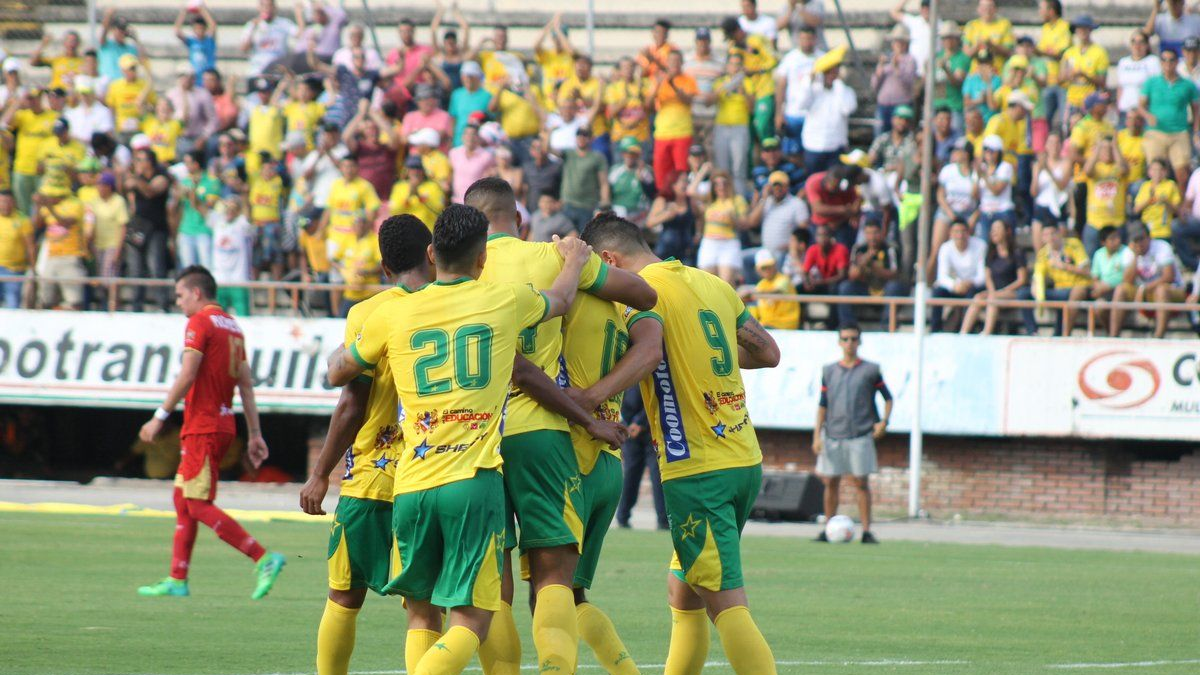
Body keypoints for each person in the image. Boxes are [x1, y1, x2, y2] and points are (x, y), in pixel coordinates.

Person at [569, 212, 780, 675]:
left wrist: (590, 397)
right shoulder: (711, 283)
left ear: (609, 260)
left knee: (725, 603)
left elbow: (648, 355)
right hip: (744, 459)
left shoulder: (640, 295)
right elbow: (768, 352)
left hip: (698, 470)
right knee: (682, 591)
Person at [462, 179, 656, 675]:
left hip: (473, 437)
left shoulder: (462, 271)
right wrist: (576, 258)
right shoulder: (552, 259)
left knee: (492, 586)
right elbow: (644, 294)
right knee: (556, 581)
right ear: (519, 218)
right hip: (549, 433)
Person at [296, 216, 432, 675]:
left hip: (372, 475)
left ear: (384, 267)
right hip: (431, 474)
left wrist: (320, 473)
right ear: (431, 254)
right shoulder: (453, 305)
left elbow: (352, 402)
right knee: (424, 607)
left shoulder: (369, 312)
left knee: (344, 595)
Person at [135, 266, 285, 598]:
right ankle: (177, 578)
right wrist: (255, 433)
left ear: (196, 292)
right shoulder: (233, 327)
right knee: (183, 498)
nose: (178, 302)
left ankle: (263, 557)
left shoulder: (200, 322)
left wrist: (159, 416)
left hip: (203, 426)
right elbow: (245, 385)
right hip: (222, 424)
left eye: (180, 295)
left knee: (198, 503)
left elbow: (188, 374)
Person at [813, 323, 891, 544]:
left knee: (861, 482)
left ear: (860, 341)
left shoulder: (871, 370)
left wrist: (884, 422)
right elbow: (822, 404)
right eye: (845, 339)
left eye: (853, 339)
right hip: (833, 433)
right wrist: (816, 435)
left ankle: (866, 531)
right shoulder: (829, 370)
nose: (849, 343)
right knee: (830, 482)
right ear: (839, 342)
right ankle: (828, 528)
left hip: (860, 434)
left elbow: (888, 398)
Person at [1138, 48, 1200, 188]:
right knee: (1156, 171)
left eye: (1171, 60)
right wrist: (1148, 115)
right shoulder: (1151, 82)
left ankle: (1181, 200)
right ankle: (1155, 199)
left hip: (1179, 131)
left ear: (1177, 62)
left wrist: (1196, 131)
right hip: (1156, 131)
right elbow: (1141, 106)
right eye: (1164, 60)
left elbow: (1196, 109)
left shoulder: (1187, 85)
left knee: (1182, 173)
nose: (1168, 63)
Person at [1111, 224, 1185, 338]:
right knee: (1120, 289)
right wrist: (1135, 256)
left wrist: (1144, 289)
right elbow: (1127, 280)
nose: (1139, 243)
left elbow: (1169, 277)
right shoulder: (1129, 251)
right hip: (1144, 292)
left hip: (1172, 289)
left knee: (1161, 290)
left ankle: (1158, 337)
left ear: (1149, 237)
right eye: (1135, 240)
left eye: (1141, 239)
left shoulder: (1162, 247)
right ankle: (1114, 336)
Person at [796, 46, 856, 179]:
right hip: (813, 146)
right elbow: (801, 104)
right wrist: (809, 80)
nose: (831, 76)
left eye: (834, 72)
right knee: (813, 181)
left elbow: (847, 108)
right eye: (828, 72)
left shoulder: (845, 91)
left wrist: (838, 82)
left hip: (836, 146)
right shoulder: (814, 90)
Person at [614, 384, 667, 530]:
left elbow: (656, 398)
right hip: (630, 433)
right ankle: (622, 518)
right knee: (631, 475)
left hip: (652, 432)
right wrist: (627, 425)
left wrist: (639, 423)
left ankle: (663, 521)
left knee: (658, 476)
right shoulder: (625, 377)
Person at [1022, 225, 1091, 336]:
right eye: (1046, 235)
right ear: (1042, 238)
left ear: (1059, 233)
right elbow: (1038, 275)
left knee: (1076, 292)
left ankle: (1064, 334)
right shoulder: (1043, 253)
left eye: (1053, 233)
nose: (1050, 237)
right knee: (1023, 294)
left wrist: (1064, 266)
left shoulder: (1073, 244)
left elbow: (1087, 271)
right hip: (1058, 291)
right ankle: (1032, 332)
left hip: (1075, 288)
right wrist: (1035, 286)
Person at [962, 220, 1028, 334]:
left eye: (997, 229)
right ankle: (963, 332)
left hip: (1012, 292)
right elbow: (988, 277)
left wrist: (1004, 290)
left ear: (1007, 231)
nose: (994, 232)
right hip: (994, 291)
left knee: (992, 299)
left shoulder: (1017, 252)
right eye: (992, 230)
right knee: (978, 297)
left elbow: (1022, 279)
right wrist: (992, 291)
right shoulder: (990, 253)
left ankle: (986, 332)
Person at [648, 50, 699, 195]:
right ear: (667, 63)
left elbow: (688, 100)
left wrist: (673, 84)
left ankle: (681, 199)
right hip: (662, 133)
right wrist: (658, 85)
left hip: (682, 133)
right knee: (661, 172)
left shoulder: (688, 80)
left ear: (682, 63)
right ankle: (663, 198)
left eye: (677, 61)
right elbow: (648, 106)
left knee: (681, 171)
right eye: (671, 61)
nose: (674, 64)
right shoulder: (658, 80)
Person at [837, 221, 905, 327]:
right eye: (868, 233)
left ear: (882, 233)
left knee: (895, 286)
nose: (872, 237)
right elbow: (852, 275)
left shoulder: (891, 248)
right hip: (865, 288)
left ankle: (887, 326)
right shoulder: (859, 249)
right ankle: (848, 326)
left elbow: (894, 274)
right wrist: (863, 262)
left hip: (884, 289)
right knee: (845, 287)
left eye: (875, 233)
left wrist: (873, 266)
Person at [708, 53, 755, 198]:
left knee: (739, 167)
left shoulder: (747, 83)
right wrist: (723, 89)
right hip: (722, 127)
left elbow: (751, 108)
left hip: (739, 127)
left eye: (738, 64)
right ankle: (723, 198)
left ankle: (739, 198)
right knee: (722, 166)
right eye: (732, 64)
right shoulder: (720, 82)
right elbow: (709, 102)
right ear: (727, 66)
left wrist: (743, 91)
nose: (735, 67)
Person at [774, 26, 824, 157]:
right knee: (793, 153)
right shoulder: (790, 58)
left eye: (809, 38)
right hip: (794, 113)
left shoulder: (822, 58)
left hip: (815, 114)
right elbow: (781, 86)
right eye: (803, 39)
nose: (806, 42)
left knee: (812, 151)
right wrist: (779, 113)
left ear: (815, 39)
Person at [931, 220, 986, 332]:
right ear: (950, 233)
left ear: (969, 232)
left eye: (963, 231)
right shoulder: (945, 248)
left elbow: (982, 276)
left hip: (972, 286)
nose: (960, 235)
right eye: (956, 231)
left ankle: (967, 330)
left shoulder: (980, 245)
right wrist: (954, 285)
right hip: (955, 286)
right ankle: (935, 330)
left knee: (973, 294)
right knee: (937, 292)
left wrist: (969, 282)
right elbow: (941, 276)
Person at [698, 170, 751, 286]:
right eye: (717, 184)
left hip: (728, 242)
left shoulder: (737, 200)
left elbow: (745, 224)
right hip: (709, 242)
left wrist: (733, 218)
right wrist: (704, 170)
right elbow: (691, 191)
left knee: (726, 283)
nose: (721, 187)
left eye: (724, 183)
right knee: (707, 282)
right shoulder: (710, 201)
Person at [1081, 135, 1130, 254]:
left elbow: (1124, 169)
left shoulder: (1118, 167)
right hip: (1094, 222)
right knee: (1091, 258)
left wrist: (1115, 147)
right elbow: (1087, 171)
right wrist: (1097, 148)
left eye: (1110, 148)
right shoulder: (1096, 168)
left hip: (1116, 222)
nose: (1107, 151)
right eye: (1104, 148)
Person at [207, 197, 253, 317]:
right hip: (220, 280)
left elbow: (247, 211)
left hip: (239, 280)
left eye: (233, 208)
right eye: (227, 207)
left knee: (244, 318)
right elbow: (199, 208)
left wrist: (244, 194)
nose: (230, 210)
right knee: (218, 318)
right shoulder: (217, 223)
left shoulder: (242, 224)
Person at [872, 25, 919, 135]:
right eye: (896, 41)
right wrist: (879, 69)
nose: (898, 44)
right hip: (883, 104)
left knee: (901, 134)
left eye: (901, 41)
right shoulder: (887, 59)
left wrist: (897, 68)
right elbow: (874, 85)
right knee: (880, 134)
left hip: (901, 105)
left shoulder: (910, 60)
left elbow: (909, 82)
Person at [560, 127, 610, 229]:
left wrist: (604, 202)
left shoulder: (597, 157)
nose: (582, 138)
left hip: (588, 205)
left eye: (585, 135)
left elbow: (604, 182)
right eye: (579, 134)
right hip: (568, 204)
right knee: (566, 236)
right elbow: (548, 149)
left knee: (585, 236)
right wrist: (548, 132)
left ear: (591, 138)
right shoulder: (569, 154)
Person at [1061, 15, 1108, 120]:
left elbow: (1102, 82)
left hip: (1091, 103)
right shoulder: (1069, 52)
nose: (1082, 31)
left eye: (1085, 28)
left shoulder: (1100, 52)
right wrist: (1069, 75)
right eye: (1079, 28)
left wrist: (1084, 75)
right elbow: (1060, 79)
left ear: (1090, 30)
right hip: (1072, 101)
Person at [806, 163, 862, 249]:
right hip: (820, 223)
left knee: (844, 248)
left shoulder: (845, 186)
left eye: (837, 187)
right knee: (815, 249)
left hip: (841, 223)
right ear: (827, 179)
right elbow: (818, 209)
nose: (835, 189)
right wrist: (844, 209)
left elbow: (856, 203)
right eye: (833, 185)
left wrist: (851, 215)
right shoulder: (814, 182)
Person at [647, 170, 698, 263]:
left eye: (687, 181)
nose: (686, 184)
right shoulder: (663, 200)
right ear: (673, 184)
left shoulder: (689, 200)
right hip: (666, 248)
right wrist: (666, 215)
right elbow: (650, 222)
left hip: (686, 249)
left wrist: (698, 233)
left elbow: (699, 216)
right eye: (683, 181)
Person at [1031, 132, 1072, 246]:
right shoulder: (1038, 165)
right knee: (1039, 246)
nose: (1054, 146)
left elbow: (1062, 186)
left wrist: (1048, 170)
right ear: (1046, 145)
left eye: (1057, 143)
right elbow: (1033, 192)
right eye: (1051, 143)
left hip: (1059, 205)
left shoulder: (1066, 163)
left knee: (1061, 245)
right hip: (1042, 206)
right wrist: (1038, 171)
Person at [239, 0, 298, 77]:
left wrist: (299, 14)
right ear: (259, 8)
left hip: (277, 69)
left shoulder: (284, 23)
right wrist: (253, 29)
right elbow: (244, 49)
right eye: (264, 6)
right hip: (258, 69)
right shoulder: (252, 25)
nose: (267, 9)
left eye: (269, 6)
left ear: (275, 8)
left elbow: (299, 34)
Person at [745, 249, 800, 329]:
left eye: (769, 266)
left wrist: (753, 293)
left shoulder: (783, 279)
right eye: (764, 268)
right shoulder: (760, 285)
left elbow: (778, 291)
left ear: (775, 265)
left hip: (785, 325)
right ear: (758, 270)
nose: (767, 270)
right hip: (767, 325)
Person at [388, 155, 445, 231]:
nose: (415, 171)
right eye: (412, 168)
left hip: (428, 231)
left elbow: (438, 210)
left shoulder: (433, 186)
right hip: (405, 232)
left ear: (423, 170)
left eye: (418, 168)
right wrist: (408, 197)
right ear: (407, 170)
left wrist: (420, 197)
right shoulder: (399, 187)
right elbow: (394, 211)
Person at [1117, 31, 1160, 128]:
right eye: (1134, 42)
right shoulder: (1123, 62)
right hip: (1125, 111)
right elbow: (1120, 87)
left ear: (1147, 45)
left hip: (1144, 112)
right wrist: (1118, 107)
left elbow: (1157, 87)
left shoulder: (1152, 61)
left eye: (1141, 42)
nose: (1137, 46)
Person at [0, 190, 33, 308]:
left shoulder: (22, 220)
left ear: (14, 202)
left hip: (14, 269)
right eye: (2, 202)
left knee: (13, 303)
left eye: (8, 201)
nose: (5, 205)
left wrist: (32, 267)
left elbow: (30, 246)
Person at [1136, 158, 1183, 241]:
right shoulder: (1145, 186)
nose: (1157, 173)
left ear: (1165, 172)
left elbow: (1177, 211)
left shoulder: (1170, 185)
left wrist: (1166, 202)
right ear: (1149, 172)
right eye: (1154, 170)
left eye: (1160, 170)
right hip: (1147, 231)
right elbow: (1136, 209)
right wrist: (1149, 200)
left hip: (1164, 231)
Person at [977, 134, 1017, 231]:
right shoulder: (981, 167)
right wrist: (977, 177)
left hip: (1003, 211)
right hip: (986, 211)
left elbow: (997, 190)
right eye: (986, 150)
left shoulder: (1005, 167)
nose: (988, 154)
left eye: (992, 151)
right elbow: (974, 194)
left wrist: (984, 176)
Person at [964, 0, 1014, 71]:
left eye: (990, 6)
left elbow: (1008, 52)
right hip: (976, 72)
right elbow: (966, 54)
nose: (987, 10)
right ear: (978, 9)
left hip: (997, 71)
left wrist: (992, 45)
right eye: (984, 7)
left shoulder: (1004, 24)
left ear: (995, 9)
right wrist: (978, 45)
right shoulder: (971, 25)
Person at [174, 5, 218, 83]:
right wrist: (184, 12)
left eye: (201, 28)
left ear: (205, 29)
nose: (199, 31)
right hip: (195, 78)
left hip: (208, 78)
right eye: (196, 29)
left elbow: (213, 26)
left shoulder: (209, 41)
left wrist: (203, 10)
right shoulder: (192, 42)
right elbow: (177, 32)